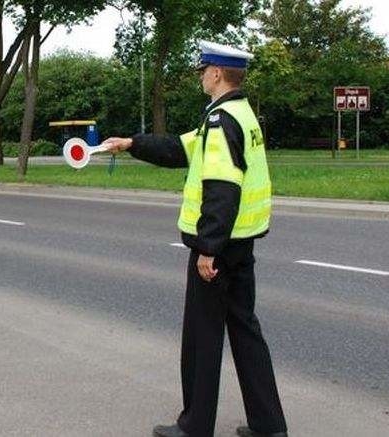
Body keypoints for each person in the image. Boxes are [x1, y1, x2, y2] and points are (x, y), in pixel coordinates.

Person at [104, 40, 288, 437]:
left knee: (202, 337)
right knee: (245, 331)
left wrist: (208, 248)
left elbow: (223, 188)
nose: (201, 75)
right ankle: (269, 425)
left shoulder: (222, 121)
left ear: (218, 74)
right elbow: (179, 148)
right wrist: (132, 144)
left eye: (204, 69)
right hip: (242, 243)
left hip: (219, 248)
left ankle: (194, 427)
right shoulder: (239, 114)